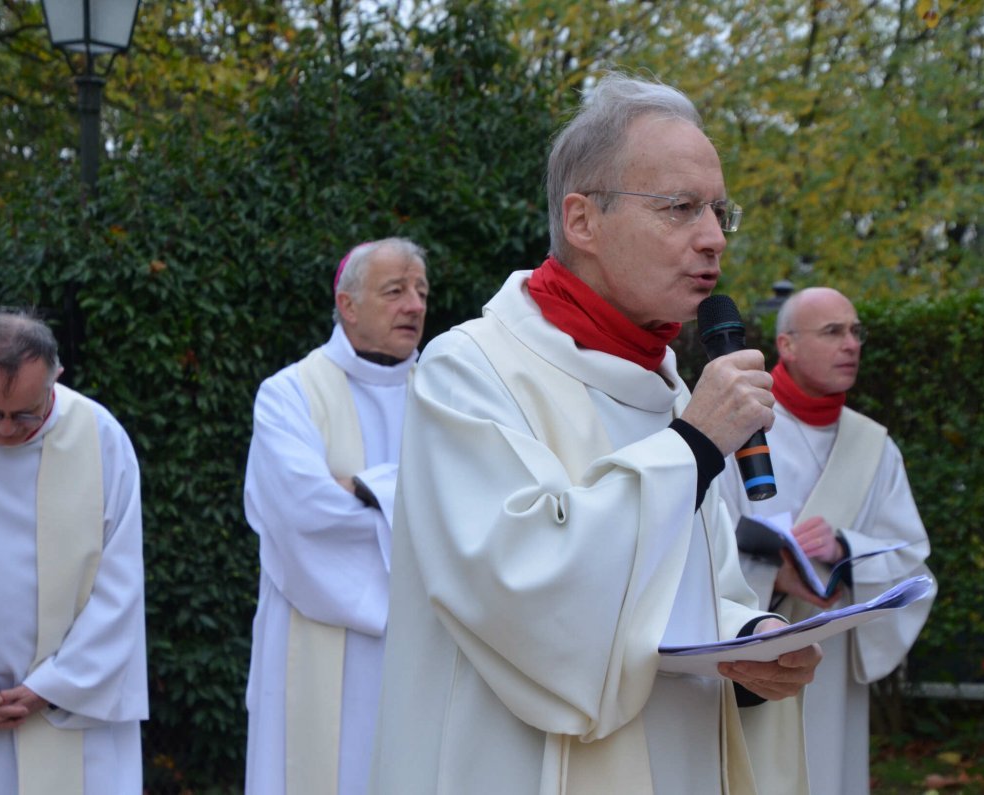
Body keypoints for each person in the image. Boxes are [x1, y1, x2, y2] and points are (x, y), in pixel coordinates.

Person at [369, 73, 821, 795]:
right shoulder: (472, 369)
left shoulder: (670, 387)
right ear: (582, 220)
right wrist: (695, 447)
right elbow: (522, 592)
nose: (712, 238)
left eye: (718, 211)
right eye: (680, 208)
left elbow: (694, 590)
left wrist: (747, 642)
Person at [0, 312, 148, 795]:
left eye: (27, 414)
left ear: (57, 378)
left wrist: (54, 685)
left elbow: (120, 580)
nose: (6, 430)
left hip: (65, 711)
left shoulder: (99, 437)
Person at [243, 238, 430, 795]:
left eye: (421, 291)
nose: (415, 305)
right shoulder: (289, 394)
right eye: (395, 291)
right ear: (347, 305)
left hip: (424, 646)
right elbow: (305, 514)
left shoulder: (447, 394)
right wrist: (412, 503)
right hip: (314, 635)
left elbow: (477, 502)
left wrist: (367, 487)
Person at [736, 287, 936, 795]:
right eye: (832, 332)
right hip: (748, 657)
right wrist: (771, 576)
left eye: (855, 331)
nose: (851, 344)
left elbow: (913, 562)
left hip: (832, 667)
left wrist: (846, 549)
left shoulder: (875, 446)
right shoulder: (738, 427)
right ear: (788, 345)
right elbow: (695, 540)